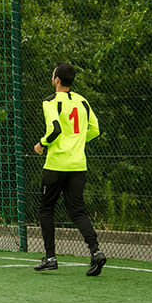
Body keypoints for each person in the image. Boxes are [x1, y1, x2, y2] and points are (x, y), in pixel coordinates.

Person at [33, 63, 106, 276]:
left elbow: (54, 129)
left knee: (46, 209)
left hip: (56, 165)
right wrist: (78, 142)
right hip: (78, 165)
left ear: (56, 79)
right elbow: (96, 129)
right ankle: (96, 251)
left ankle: (50, 257)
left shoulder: (50, 102)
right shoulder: (82, 101)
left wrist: (42, 144)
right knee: (77, 210)